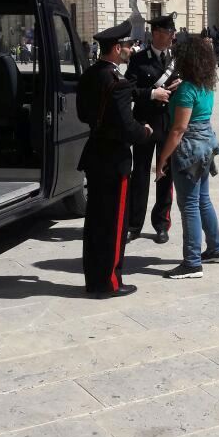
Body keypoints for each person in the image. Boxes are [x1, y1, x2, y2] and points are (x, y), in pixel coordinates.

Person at [76, 20, 152, 299]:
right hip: (114, 159)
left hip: (95, 154)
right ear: (117, 48)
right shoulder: (116, 82)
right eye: (129, 45)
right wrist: (144, 131)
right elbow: (127, 128)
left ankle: (94, 278)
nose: (131, 49)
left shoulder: (90, 75)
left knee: (95, 222)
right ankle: (109, 281)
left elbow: (84, 114)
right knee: (114, 224)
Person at [156, 36, 219, 279]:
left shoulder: (187, 89)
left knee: (189, 205)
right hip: (207, 145)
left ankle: (192, 262)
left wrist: (161, 159)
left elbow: (178, 130)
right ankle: (216, 248)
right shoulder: (205, 85)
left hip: (190, 150)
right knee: (203, 199)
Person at [125, 12, 181, 244]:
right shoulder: (139, 59)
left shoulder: (176, 58)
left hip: (168, 125)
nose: (172, 37)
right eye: (169, 33)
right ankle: (134, 224)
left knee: (165, 176)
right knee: (139, 175)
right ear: (157, 34)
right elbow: (128, 90)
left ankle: (161, 223)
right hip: (145, 124)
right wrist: (151, 93)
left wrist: (180, 85)